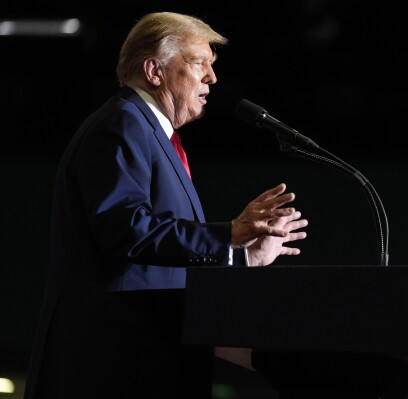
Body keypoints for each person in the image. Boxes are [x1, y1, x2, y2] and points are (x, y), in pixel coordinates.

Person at [23, 11, 308, 399]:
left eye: (213, 65)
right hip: (113, 365)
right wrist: (228, 234)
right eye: (198, 64)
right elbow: (125, 230)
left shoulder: (153, 133)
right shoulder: (123, 124)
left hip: (150, 362)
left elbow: (163, 261)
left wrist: (241, 257)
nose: (212, 78)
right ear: (154, 71)